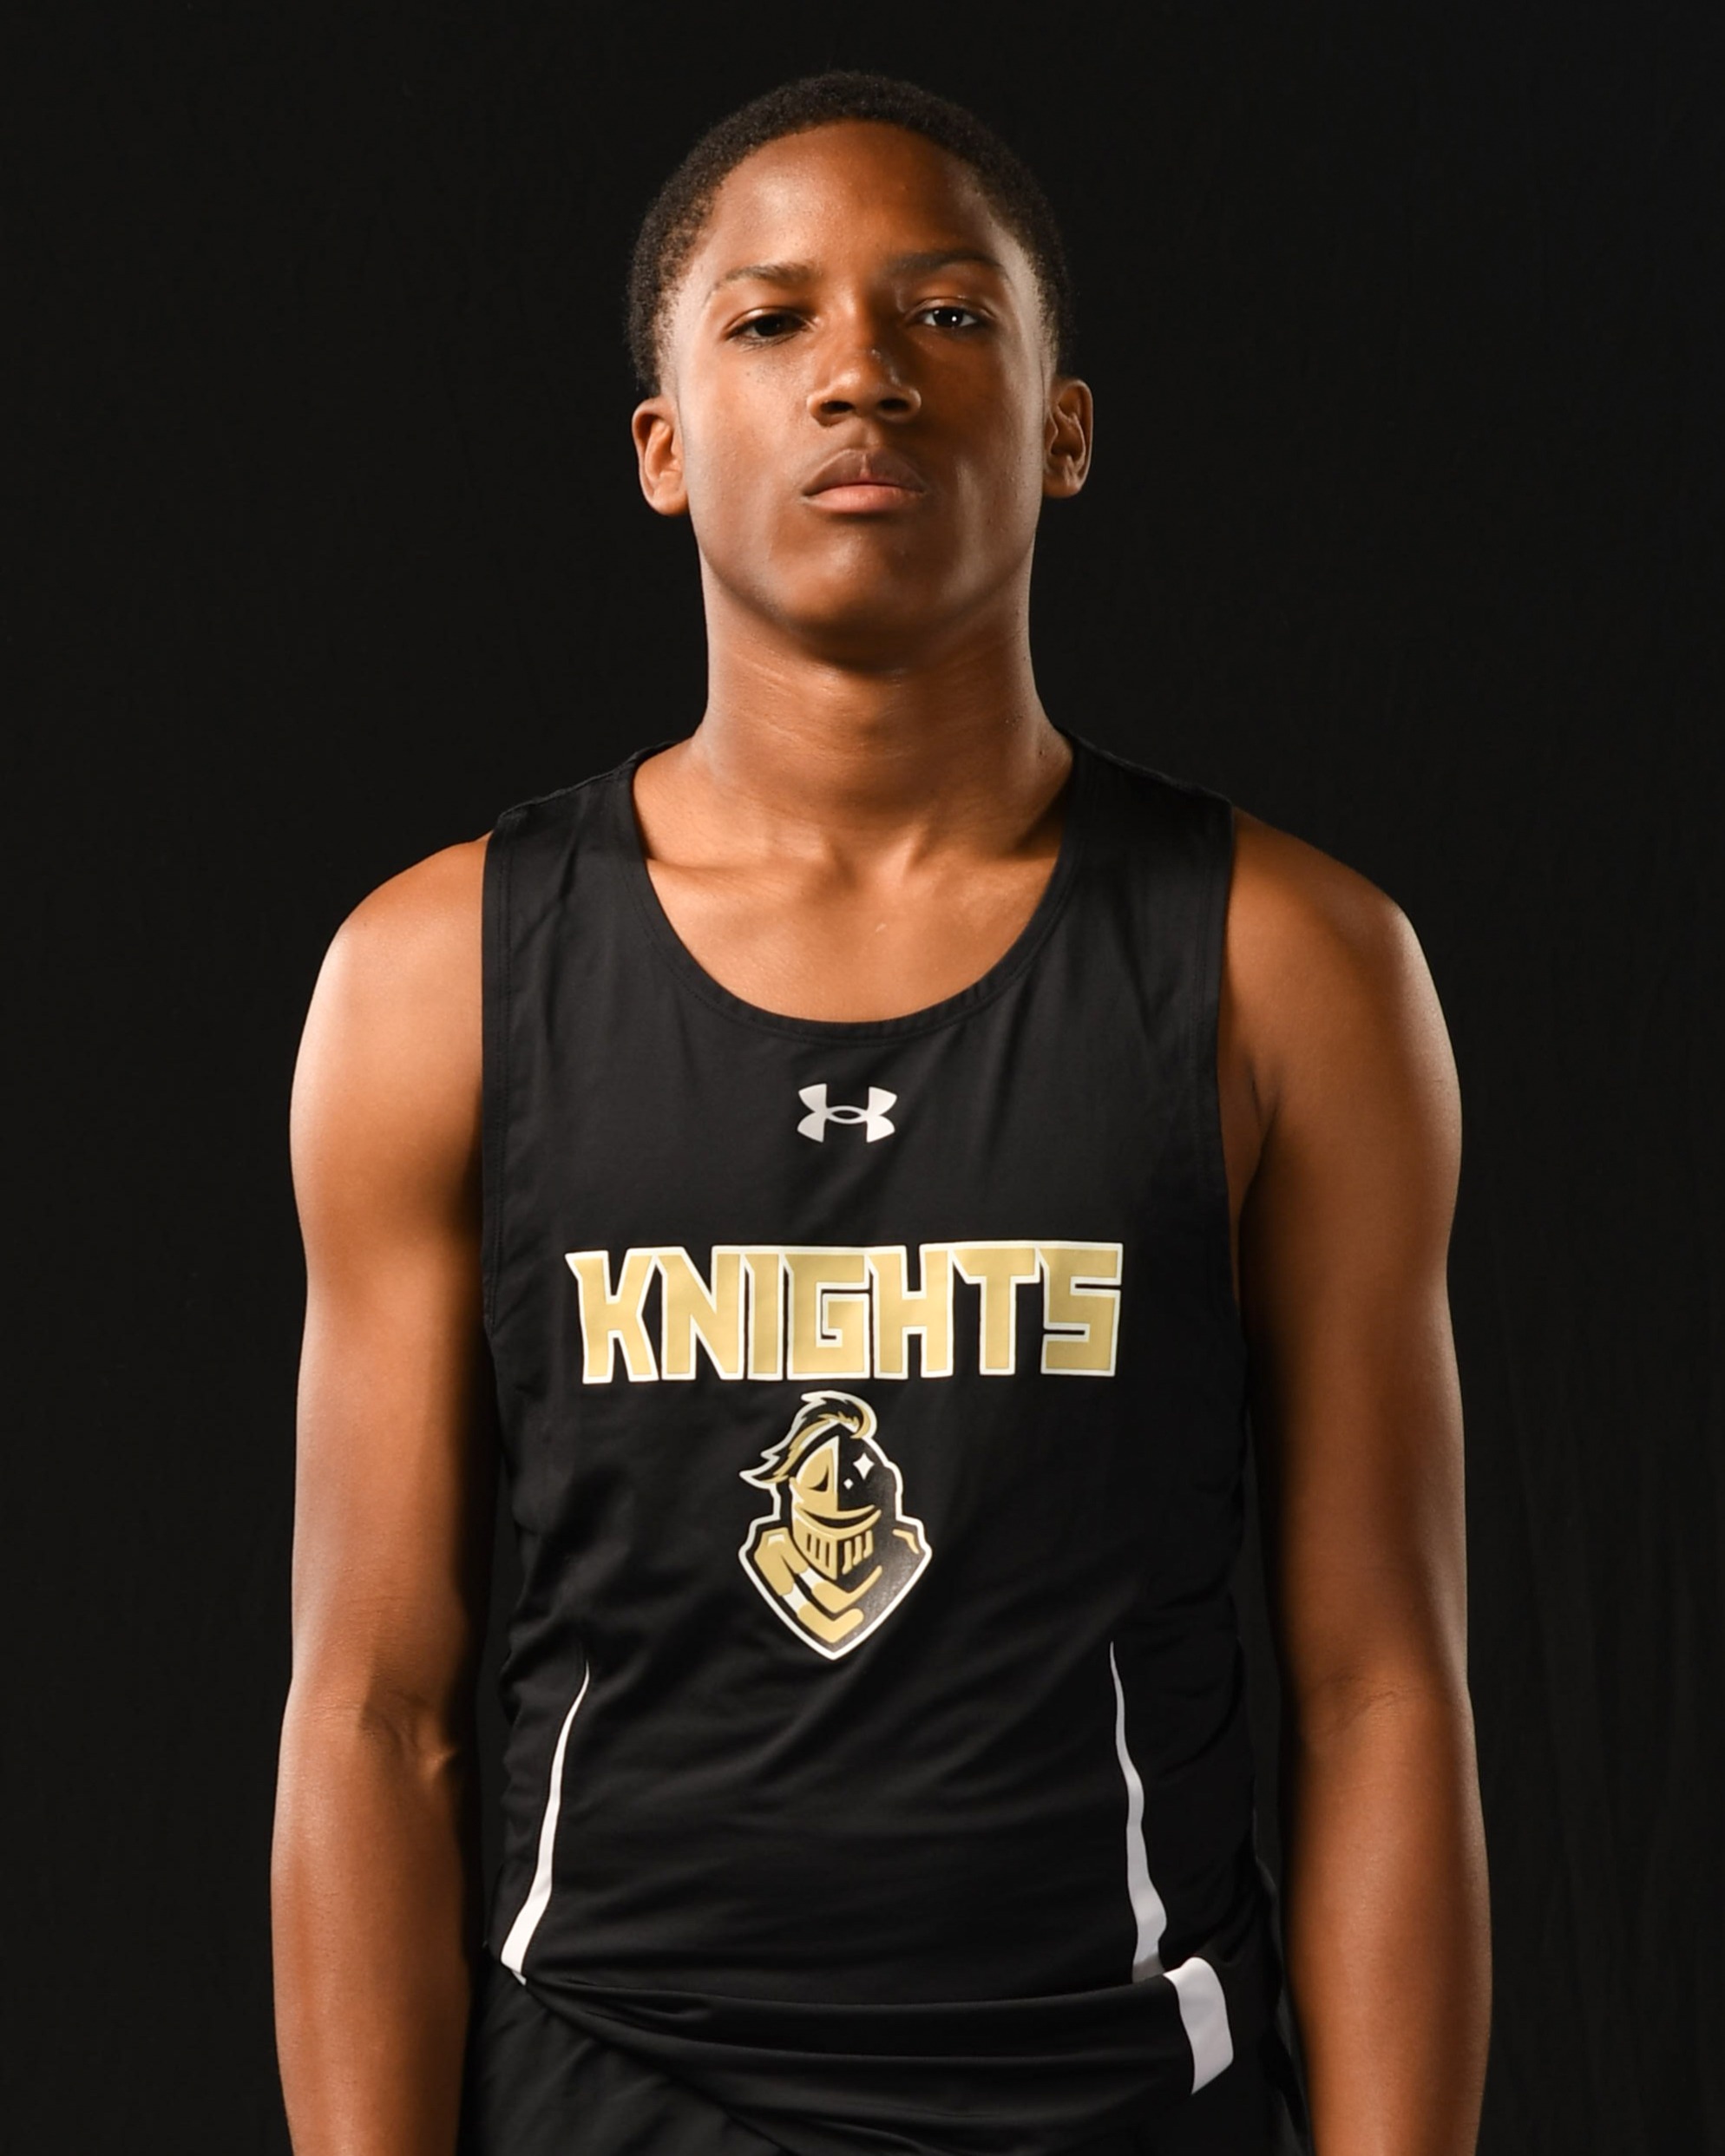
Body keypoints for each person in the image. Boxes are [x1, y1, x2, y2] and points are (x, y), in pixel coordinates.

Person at [272, 72, 1491, 2156]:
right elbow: (373, 1714)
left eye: (944, 313)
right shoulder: (433, 976)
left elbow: (1381, 1687)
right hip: (612, 2103)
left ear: (1064, 428)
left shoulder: (1292, 965)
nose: (860, 371)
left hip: (1119, 2103)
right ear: (662, 446)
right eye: (770, 320)